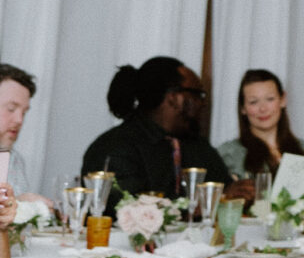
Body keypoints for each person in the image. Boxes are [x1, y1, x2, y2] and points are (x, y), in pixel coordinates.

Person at [83, 58, 242, 203]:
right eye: (198, 94)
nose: (203, 103)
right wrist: (208, 200)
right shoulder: (114, 147)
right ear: (174, 97)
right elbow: (130, 210)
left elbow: (225, 188)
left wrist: (237, 192)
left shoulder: (196, 145)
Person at [216, 70, 304, 184]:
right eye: (253, 102)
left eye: (270, 99)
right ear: (243, 108)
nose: (263, 109)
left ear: (282, 100)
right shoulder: (229, 155)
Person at [0, 64, 48, 205]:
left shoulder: (14, 160)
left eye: (24, 112)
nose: (19, 120)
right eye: (11, 109)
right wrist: (19, 204)